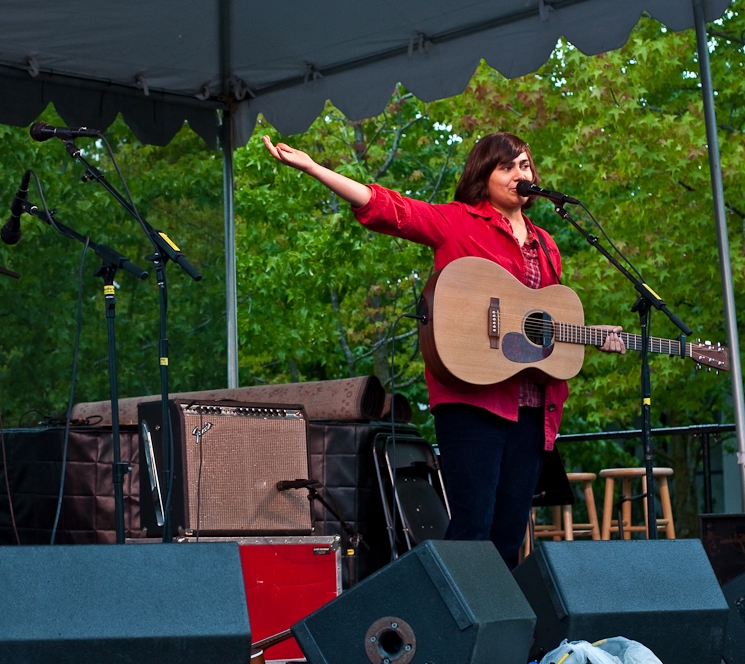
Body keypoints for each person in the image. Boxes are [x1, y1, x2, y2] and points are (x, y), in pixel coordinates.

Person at [264, 131, 624, 568]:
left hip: (534, 406)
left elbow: (541, 317)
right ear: (482, 176)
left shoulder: (546, 245)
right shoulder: (459, 221)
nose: (519, 174)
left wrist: (587, 332)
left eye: (525, 165)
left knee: (510, 535)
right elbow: (391, 210)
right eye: (506, 167)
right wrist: (314, 168)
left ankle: (501, 634)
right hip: (474, 398)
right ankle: (460, 632)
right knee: (471, 529)